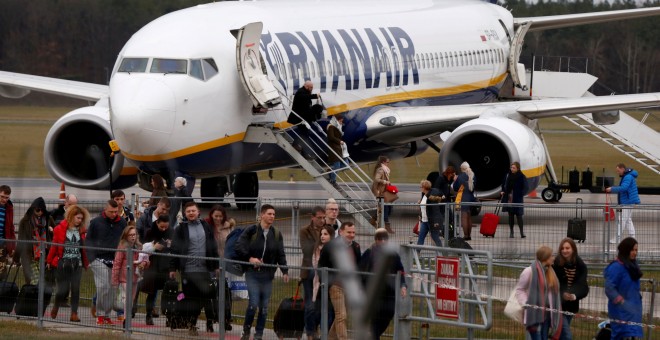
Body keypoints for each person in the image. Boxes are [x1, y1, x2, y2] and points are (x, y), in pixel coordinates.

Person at [237, 204, 289, 340]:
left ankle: (258, 334)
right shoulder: (251, 231)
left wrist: (285, 271)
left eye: (273, 214)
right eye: (269, 214)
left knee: (264, 308)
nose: (272, 216)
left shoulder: (276, 234)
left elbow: (280, 254)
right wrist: (250, 258)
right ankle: (246, 330)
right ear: (262, 215)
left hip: (267, 275)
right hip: (252, 274)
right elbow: (239, 246)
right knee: (253, 304)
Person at [169, 201, 219, 336]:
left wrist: (216, 266)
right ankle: (191, 324)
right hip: (188, 270)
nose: (191, 213)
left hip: (204, 269)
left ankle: (193, 321)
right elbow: (174, 249)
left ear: (198, 212)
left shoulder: (206, 226)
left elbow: (212, 246)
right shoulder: (180, 229)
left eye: (193, 211)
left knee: (204, 296)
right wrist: (172, 268)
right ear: (185, 214)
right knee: (191, 299)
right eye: (188, 211)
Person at [359, 228, 407, 340]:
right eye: (380, 239)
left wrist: (403, 285)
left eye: (385, 239)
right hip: (373, 293)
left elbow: (400, 270)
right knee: (375, 320)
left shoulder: (393, 254)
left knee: (388, 316)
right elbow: (361, 273)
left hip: (389, 293)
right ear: (376, 240)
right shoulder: (369, 253)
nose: (383, 242)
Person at [86, 199, 127, 325]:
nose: (114, 214)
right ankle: (100, 314)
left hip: (115, 260)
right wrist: (91, 258)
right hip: (98, 259)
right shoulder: (96, 222)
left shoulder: (122, 222)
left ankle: (107, 315)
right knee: (103, 285)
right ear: (105, 210)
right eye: (111, 211)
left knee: (112, 289)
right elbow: (88, 240)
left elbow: (125, 240)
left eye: (116, 211)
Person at [317, 221, 361, 340]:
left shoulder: (356, 247)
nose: (352, 235)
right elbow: (321, 265)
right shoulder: (330, 246)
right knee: (341, 315)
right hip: (335, 285)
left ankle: (330, 338)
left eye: (353, 232)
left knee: (340, 317)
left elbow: (358, 267)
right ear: (341, 232)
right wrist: (325, 283)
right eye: (349, 232)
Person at [47, 205, 90, 322]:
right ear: (71, 216)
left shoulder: (81, 230)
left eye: (82, 218)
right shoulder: (60, 229)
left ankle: (74, 313)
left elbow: (83, 249)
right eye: (78, 218)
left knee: (75, 289)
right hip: (63, 263)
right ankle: (56, 306)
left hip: (77, 263)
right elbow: (54, 246)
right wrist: (49, 261)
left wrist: (86, 263)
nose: (80, 220)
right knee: (62, 289)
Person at [515, 245, 562, 340]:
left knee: (544, 338)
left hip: (547, 314)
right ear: (545, 257)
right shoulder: (529, 271)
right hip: (534, 313)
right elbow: (520, 289)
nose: (553, 258)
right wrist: (526, 303)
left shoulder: (551, 272)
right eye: (551, 256)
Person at [604, 237, 643, 339]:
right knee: (623, 335)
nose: (634, 253)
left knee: (634, 335)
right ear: (626, 250)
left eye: (636, 250)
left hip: (634, 312)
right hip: (620, 313)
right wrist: (621, 301)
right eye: (632, 250)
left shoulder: (633, 267)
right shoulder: (616, 267)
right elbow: (609, 288)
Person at [111, 225, 148, 328]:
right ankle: (126, 321)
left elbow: (146, 258)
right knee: (126, 299)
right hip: (124, 278)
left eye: (134, 234)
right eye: (130, 235)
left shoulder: (139, 246)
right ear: (126, 236)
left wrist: (144, 263)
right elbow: (117, 263)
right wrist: (114, 280)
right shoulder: (122, 247)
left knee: (131, 300)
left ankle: (126, 318)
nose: (133, 237)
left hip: (135, 277)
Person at [552, 238, 589, 340]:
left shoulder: (581, 266)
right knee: (567, 335)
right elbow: (552, 284)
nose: (565, 250)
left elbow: (584, 288)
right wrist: (561, 294)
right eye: (562, 248)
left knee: (561, 334)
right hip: (557, 305)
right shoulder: (556, 264)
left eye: (567, 248)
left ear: (573, 249)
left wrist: (574, 296)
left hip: (571, 306)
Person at [206, 204, 235, 331]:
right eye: (215, 216)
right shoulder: (207, 227)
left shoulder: (229, 227)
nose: (218, 218)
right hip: (211, 264)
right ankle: (209, 321)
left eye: (220, 216)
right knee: (211, 294)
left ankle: (226, 319)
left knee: (226, 294)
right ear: (211, 215)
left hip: (225, 264)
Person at [300, 206, 326, 339]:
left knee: (320, 305)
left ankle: (316, 329)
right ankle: (310, 332)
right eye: (319, 218)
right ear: (313, 217)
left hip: (323, 273)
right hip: (309, 273)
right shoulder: (305, 231)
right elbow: (307, 250)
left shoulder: (327, 230)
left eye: (323, 218)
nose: (322, 220)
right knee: (310, 304)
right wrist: (321, 240)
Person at [15, 197, 55, 285]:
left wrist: (52, 231)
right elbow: (21, 240)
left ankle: (41, 299)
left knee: (44, 283)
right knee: (34, 282)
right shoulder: (25, 221)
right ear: (33, 209)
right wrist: (16, 258)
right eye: (37, 210)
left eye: (42, 210)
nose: (40, 212)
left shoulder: (49, 219)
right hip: (29, 256)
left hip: (45, 256)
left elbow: (56, 236)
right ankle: (33, 298)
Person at [142, 214, 173, 325]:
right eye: (161, 227)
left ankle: (169, 317)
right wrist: (154, 248)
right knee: (152, 293)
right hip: (153, 266)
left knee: (168, 294)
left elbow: (174, 248)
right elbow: (144, 249)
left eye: (166, 227)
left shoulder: (171, 232)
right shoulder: (150, 232)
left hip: (166, 267)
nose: (164, 229)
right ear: (157, 223)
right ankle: (148, 315)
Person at [311, 225, 336, 338]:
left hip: (332, 285)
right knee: (317, 312)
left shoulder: (335, 249)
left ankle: (325, 336)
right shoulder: (317, 249)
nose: (322, 236)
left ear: (331, 236)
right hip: (319, 284)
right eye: (321, 234)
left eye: (325, 234)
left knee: (329, 313)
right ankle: (316, 333)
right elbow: (316, 267)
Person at [605, 163, 640, 242]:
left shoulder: (627, 177)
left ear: (622, 169)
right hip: (628, 201)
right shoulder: (628, 176)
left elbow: (624, 188)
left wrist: (612, 189)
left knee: (622, 220)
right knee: (627, 220)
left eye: (618, 171)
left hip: (627, 201)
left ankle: (617, 238)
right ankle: (633, 236)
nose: (618, 173)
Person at [289, 80, 322, 159]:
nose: (311, 89)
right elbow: (304, 97)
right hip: (299, 118)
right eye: (311, 87)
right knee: (304, 133)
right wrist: (314, 96)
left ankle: (302, 149)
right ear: (306, 86)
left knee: (304, 133)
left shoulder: (305, 92)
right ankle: (305, 152)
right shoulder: (300, 92)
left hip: (304, 118)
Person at [501, 161, 528, 239]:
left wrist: (520, 194)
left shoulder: (521, 176)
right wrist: (503, 191)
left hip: (517, 198)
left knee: (519, 216)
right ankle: (511, 232)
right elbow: (503, 185)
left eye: (514, 168)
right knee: (511, 216)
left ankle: (521, 232)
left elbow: (526, 187)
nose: (512, 169)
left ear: (518, 168)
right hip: (509, 198)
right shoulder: (507, 176)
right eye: (511, 167)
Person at [452, 161, 476, 240]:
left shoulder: (460, 176)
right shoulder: (473, 175)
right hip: (471, 198)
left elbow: (455, 188)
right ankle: (469, 235)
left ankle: (466, 235)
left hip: (463, 198)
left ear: (462, 169)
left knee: (464, 218)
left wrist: (455, 180)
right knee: (469, 218)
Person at [371, 156, 394, 234]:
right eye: (387, 162)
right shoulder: (381, 170)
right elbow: (376, 179)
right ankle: (387, 226)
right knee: (386, 208)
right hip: (381, 192)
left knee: (387, 207)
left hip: (385, 191)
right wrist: (385, 182)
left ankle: (373, 219)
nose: (388, 164)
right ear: (383, 162)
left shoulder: (385, 169)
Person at [417, 180, 443, 247]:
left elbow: (435, 210)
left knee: (435, 237)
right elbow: (423, 208)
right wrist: (420, 215)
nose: (420, 188)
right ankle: (417, 253)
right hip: (424, 220)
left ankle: (442, 253)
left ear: (424, 187)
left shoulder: (431, 196)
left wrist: (436, 222)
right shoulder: (424, 195)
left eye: (421, 187)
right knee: (420, 238)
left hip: (432, 221)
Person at [0, 185, 16, 279]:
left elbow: (11, 228)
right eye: (2, 196)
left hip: (2, 243)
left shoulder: (9, 208)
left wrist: (12, 247)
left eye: (7, 198)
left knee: (2, 270)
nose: (4, 200)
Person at [327, 113, 346, 186]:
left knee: (345, 164)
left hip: (339, 149)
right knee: (337, 165)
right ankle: (333, 180)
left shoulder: (338, 127)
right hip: (334, 148)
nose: (341, 123)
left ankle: (330, 172)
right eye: (340, 121)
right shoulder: (331, 127)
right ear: (336, 120)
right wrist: (339, 141)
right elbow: (331, 137)